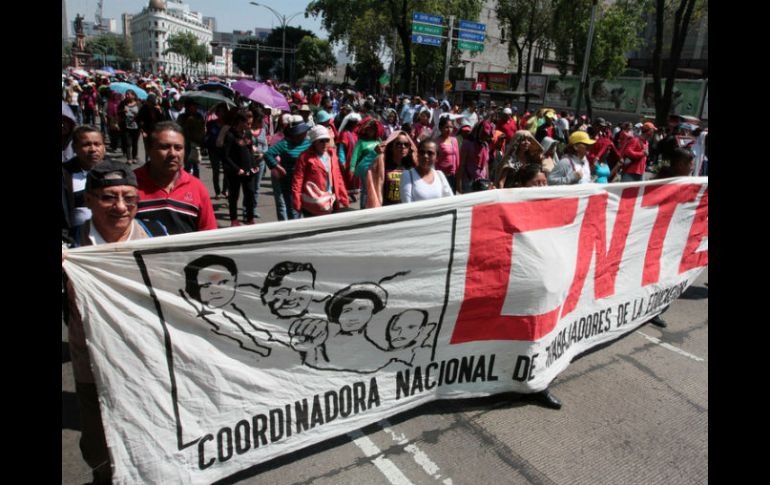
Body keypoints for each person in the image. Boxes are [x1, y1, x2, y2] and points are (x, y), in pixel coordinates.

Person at [63, 161, 168, 485]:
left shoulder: (158, 237)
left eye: (128, 198)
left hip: (148, 366)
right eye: (108, 197)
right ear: (90, 200)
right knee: (99, 449)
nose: (120, 207)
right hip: (92, 370)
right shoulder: (72, 247)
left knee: (154, 442)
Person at [135, 121, 217, 234]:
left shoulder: (197, 187)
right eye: (164, 147)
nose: (173, 153)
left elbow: (209, 235)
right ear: (149, 149)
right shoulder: (130, 185)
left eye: (178, 148)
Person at [292, 125, 350, 217]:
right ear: (314, 142)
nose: (324, 144)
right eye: (321, 141)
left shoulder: (332, 155)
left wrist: (343, 196)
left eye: (327, 140)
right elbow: (298, 179)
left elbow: (338, 177)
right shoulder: (304, 157)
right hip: (312, 202)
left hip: (330, 199)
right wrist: (296, 199)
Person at [62, 126, 107, 241]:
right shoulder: (65, 174)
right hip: (74, 242)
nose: (93, 149)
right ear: (74, 148)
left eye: (97, 144)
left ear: (104, 147)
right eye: (86, 145)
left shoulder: (117, 172)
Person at [264, 119, 312, 220]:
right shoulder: (284, 143)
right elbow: (268, 154)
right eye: (303, 132)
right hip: (289, 184)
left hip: (305, 184)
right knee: (293, 212)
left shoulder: (308, 143)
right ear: (296, 134)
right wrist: (278, 167)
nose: (305, 134)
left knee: (308, 211)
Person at [222, 109, 260, 226]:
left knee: (250, 194)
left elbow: (249, 151)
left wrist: (255, 165)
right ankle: (234, 219)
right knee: (234, 196)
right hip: (235, 172)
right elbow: (225, 156)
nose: (249, 126)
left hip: (249, 171)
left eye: (250, 124)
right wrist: (237, 169)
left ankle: (250, 218)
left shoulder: (247, 133)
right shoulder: (230, 135)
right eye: (247, 124)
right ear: (239, 122)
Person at [363, 130, 417, 208]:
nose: (403, 147)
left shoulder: (412, 166)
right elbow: (360, 170)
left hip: (406, 209)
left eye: (406, 144)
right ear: (392, 147)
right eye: (398, 144)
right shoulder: (382, 164)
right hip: (387, 210)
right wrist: (373, 153)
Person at [457, 120, 495, 194]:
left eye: (486, 135)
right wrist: (459, 185)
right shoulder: (467, 143)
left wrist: (488, 181)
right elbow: (461, 165)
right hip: (469, 183)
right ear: (478, 131)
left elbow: (485, 165)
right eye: (483, 134)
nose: (485, 137)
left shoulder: (485, 145)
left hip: (482, 183)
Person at [204, 103, 231, 199]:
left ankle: (225, 190)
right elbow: (207, 135)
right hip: (213, 150)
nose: (221, 114)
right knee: (215, 171)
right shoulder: (211, 123)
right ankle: (217, 191)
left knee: (227, 171)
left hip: (225, 151)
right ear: (217, 113)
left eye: (223, 112)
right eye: (219, 112)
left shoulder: (229, 125)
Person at [177, 100, 206, 178]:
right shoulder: (182, 116)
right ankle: (185, 181)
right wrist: (188, 122)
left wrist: (202, 139)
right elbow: (178, 129)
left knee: (196, 164)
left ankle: (196, 182)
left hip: (196, 142)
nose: (196, 108)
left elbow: (202, 129)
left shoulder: (199, 116)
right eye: (194, 106)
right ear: (189, 107)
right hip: (185, 142)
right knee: (187, 164)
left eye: (196, 106)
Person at [137, 93, 168, 163]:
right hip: (147, 131)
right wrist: (142, 130)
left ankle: (156, 161)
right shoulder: (144, 108)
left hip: (157, 131)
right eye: (149, 102)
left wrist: (160, 111)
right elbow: (139, 119)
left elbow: (164, 119)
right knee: (148, 148)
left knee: (156, 146)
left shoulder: (159, 108)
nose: (150, 104)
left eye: (152, 102)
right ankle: (147, 162)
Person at [434, 116, 460, 192]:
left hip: (453, 176)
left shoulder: (454, 140)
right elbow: (435, 161)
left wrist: (458, 176)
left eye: (451, 127)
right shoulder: (437, 142)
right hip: (442, 176)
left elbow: (457, 158)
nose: (449, 130)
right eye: (446, 127)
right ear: (441, 128)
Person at [118, 89, 141, 164]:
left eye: (128, 94)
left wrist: (137, 115)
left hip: (136, 127)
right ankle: (129, 158)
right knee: (128, 143)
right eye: (126, 94)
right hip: (126, 126)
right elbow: (118, 112)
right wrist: (122, 111)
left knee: (135, 143)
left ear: (133, 96)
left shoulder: (138, 104)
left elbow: (143, 115)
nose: (127, 95)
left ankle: (134, 157)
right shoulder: (123, 103)